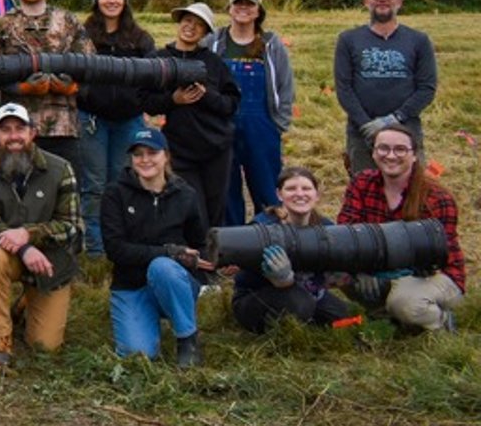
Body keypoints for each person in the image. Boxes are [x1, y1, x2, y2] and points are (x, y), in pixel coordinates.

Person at [0, 104, 83, 367]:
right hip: (6, 253)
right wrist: (23, 248)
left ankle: (25, 303)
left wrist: (29, 234)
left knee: (45, 347)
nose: (13, 136)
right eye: (5, 130)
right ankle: (0, 337)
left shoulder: (61, 168)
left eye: (20, 128)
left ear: (33, 132)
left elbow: (72, 226)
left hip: (50, 262)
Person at [100, 126, 213, 366]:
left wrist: (207, 265)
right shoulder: (114, 194)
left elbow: (199, 242)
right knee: (138, 355)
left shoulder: (186, 195)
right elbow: (115, 249)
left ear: (166, 156)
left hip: (172, 278)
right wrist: (169, 251)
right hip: (131, 285)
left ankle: (187, 339)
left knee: (162, 267)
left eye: (152, 153)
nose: (145, 160)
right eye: (138, 154)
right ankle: (147, 319)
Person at [337, 126, 464, 333]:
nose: (390, 155)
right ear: (373, 153)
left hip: (432, 274)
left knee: (404, 303)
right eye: (383, 148)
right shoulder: (361, 183)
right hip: (380, 266)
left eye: (400, 149)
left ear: (414, 155)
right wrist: (361, 269)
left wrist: (388, 273)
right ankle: (387, 316)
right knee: (338, 270)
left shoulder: (436, 198)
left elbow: (440, 256)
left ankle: (440, 321)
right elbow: (346, 231)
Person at [0, 0, 92, 167]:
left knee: (66, 184)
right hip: (16, 131)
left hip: (63, 128)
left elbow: (90, 66)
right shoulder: (1, 25)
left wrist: (72, 87)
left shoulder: (68, 21)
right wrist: (20, 88)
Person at [73, 0, 157, 253]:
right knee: (94, 184)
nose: (111, 0)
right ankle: (96, 247)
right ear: (96, 1)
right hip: (92, 120)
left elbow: (152, 76)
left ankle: (119, 241)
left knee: (123, 180)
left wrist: (141, 102)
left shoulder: (140, 38)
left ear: (125, 1)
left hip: (129, 120)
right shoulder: (82, 35)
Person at [138, 3, 239, 229]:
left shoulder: (214, 63)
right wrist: (173, 100)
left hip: (216, 148)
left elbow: (231, 104)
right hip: (180, 150)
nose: (191, 27)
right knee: (193, 210)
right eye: (187, 21)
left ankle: (216, 250)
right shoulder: (159, 60)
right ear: (179, 23)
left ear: (205, 33)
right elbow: (146, 102)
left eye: (199, 25)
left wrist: (207, 96)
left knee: (216, 210)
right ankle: (196, 250)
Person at [333, 0, 437, 178]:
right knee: (365, 188)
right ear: (366, 2)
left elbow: (426, 88)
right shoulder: (348, 39)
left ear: (399, 2)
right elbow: (344, 88)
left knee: (411, 188)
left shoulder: (419, 40)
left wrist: (394, 119)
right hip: (362, 133)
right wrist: (366, 125)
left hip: (406, 130)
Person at [231, 167, 354, 334]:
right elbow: (243, 273)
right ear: (279, 194)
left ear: (317, 195)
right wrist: (281, 279)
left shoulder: (326, 228)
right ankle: (279, 334)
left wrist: (347, 275)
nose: (299, 194)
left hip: (309, 291)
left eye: (306, 188)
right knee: (300, 304)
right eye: (291, 189)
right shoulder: (262, 228)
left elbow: (332, 276)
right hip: (258, 295)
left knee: (348, 319)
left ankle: (311, 326)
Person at [211, 0, 295, 224]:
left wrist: (278, 124)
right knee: (226, 189)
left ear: (258, 10)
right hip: (222, 125)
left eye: (249, 4)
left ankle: (271, 237)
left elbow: (285, 85)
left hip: (261, 125)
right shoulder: (215, 41)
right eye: (238, 3)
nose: (243, 8)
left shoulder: (271, 44)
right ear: (229, 8)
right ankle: (233, 241)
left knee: (267, 188)